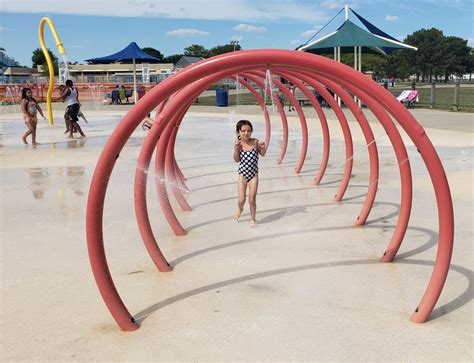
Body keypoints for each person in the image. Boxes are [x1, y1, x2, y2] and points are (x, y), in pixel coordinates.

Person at [233, 120, 266, 227]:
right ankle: (240, 209)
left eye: (249, 131)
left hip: (253, 176)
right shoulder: (238, 144)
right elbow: (237, 160)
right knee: (241, 200)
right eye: (243, 131)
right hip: (242, 175)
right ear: (238, 132)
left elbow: (262, 154)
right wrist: (236, 150)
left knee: (252, 199)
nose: (246, 133)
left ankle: (252, 218)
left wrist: (263, 147)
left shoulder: (255, 141)